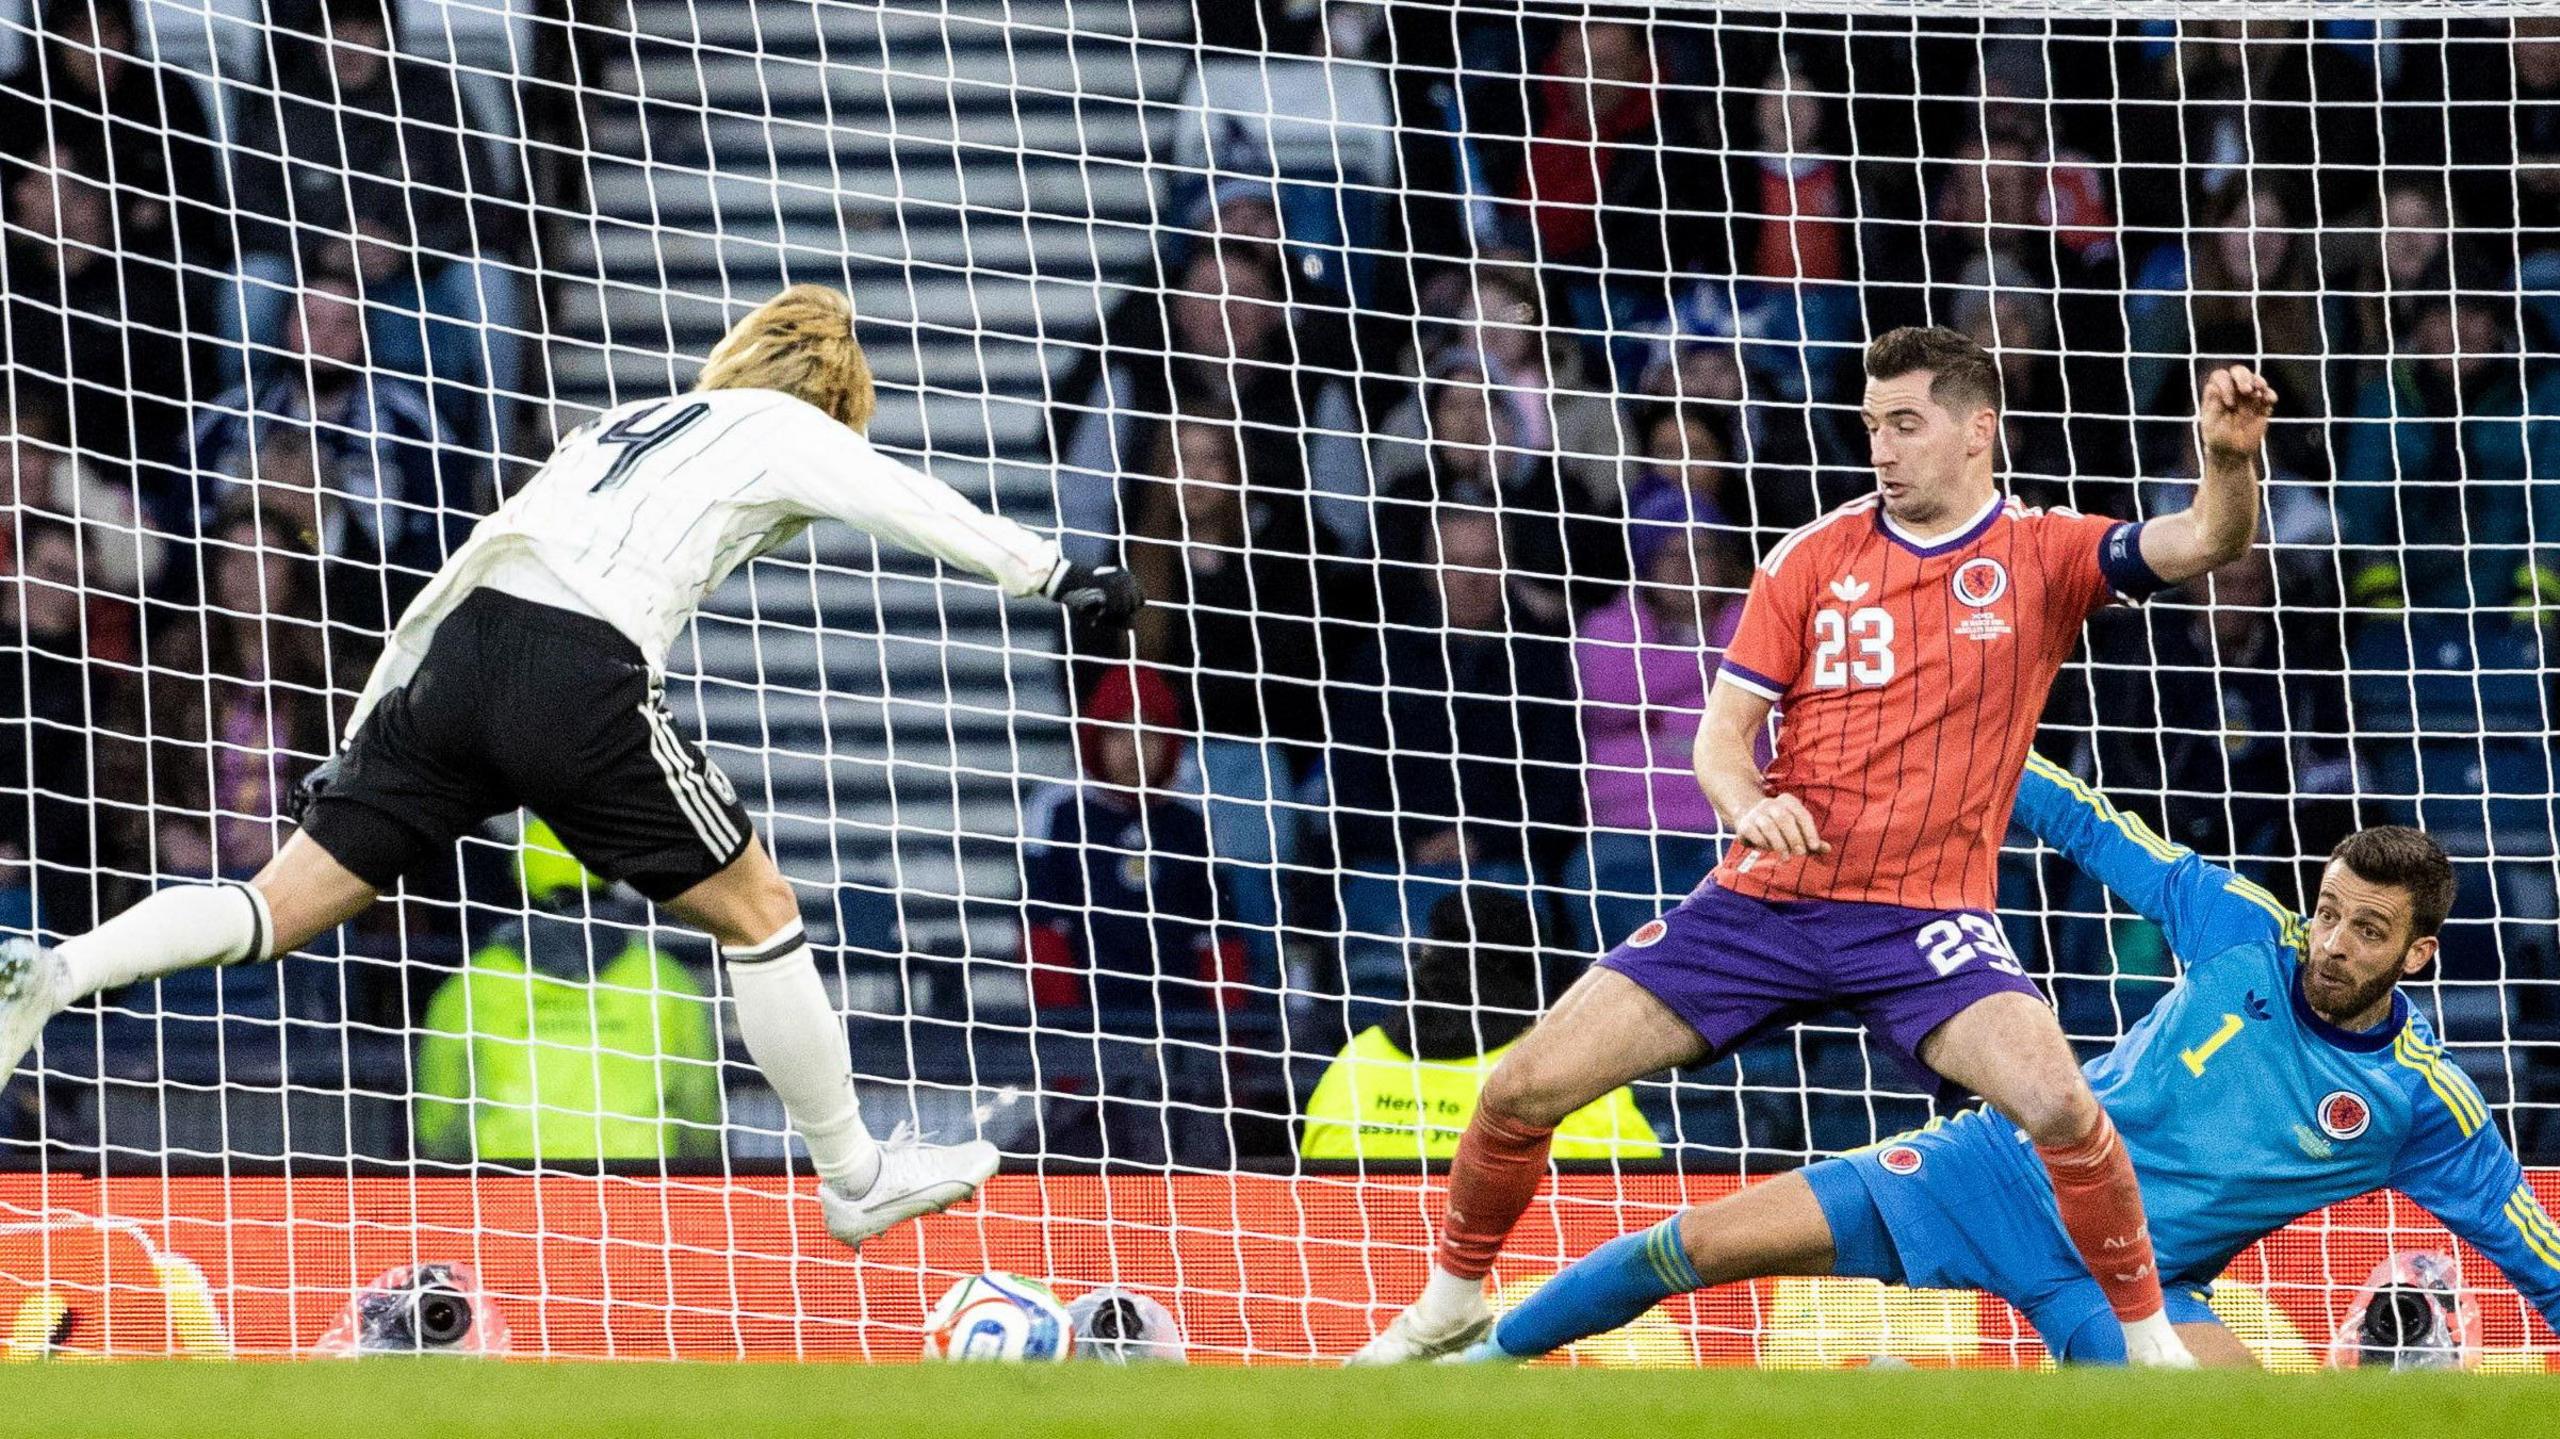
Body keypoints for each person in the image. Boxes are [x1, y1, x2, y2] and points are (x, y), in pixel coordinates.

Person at [0, 284, 1144, 1248]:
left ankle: (51, 972)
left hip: (458, 657)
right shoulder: (781, 422)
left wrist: (362, 734)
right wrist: (1051, 572)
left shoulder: (620, 423)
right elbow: (902, 496)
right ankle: (852, 1174)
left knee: (272, 903)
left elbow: (461, 567)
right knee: (760, 912)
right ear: (833, 396)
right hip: (574, 666)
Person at [1351, 326, 2272, 1367]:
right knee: (1518, 1086)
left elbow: (2205, 539)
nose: (1879, 447)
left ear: (1980, 432)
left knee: (2061, 1103)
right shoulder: (1811, 557)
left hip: (1926, 916)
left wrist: (2229, 460)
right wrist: (1746, 805)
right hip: (1765, 901)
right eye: (1871, 424)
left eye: (1905, 424)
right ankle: (1447, 1301)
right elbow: (1717, 739)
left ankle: (2147, 1334)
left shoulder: (2043, 551)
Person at [1457, 758, 2560, 1366]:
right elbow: (2088, 823)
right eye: (2325, 910)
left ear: (2419, 950)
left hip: (2128, 1285)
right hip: (1986, 1170)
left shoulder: (2424, 1103)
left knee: (2242, 1420)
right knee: (1685, 1246)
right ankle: (1471, 1371)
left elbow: (2538, 1255)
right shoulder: (2237, 925)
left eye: (2366, 930)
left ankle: (2375, 1371)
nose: (2328, 942)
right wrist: (1955, 747)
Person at [414, 821, 720, 1164]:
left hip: (508, 1192)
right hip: (637, 1194)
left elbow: (439, 1124)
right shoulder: (664, 980)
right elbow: (700, 1117)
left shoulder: (474, 981)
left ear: (520, 879)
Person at [1300, 890, 1656, 1161]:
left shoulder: (1354, 1064)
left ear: (1427, 955)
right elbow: (1645, 1198)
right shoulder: (1570, 1074)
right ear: (1531, 972)